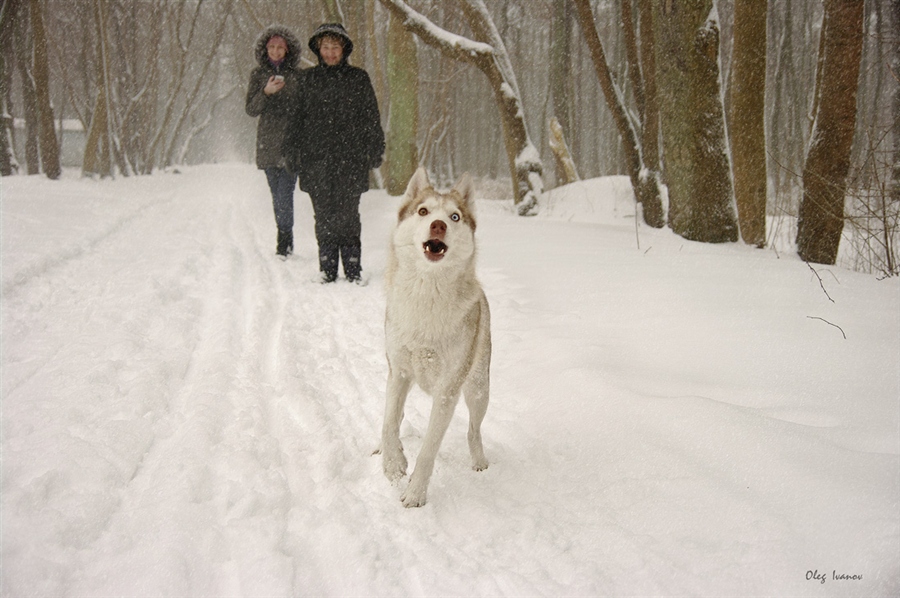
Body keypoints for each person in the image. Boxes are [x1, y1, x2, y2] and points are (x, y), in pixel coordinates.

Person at [288, 23, 385, 283]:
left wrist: (375, 148)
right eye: (325, 47)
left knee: (349, 215)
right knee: (324, 215)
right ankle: (328, 268)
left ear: (344, 49)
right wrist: (291, 152)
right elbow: (296, 120)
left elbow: (371, 118)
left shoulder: (358, 78)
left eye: (335, 47)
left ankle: (353, 269)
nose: (330, 53)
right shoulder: (307, 80)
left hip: (351, 159)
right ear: (318, 50)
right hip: (315, 160)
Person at [245, 25, 303, 259]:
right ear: (265, 49)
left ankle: (285, 240)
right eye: (272, 47)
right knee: (276, 195)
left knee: (285, 194)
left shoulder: (298, 75)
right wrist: (266, 92)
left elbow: (303, 108)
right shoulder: (257, 74)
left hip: (291, 143)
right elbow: (251, 109)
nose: (276, 51)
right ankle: (284, 233)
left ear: (287, 50)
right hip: (267, 145)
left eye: (280, 47)